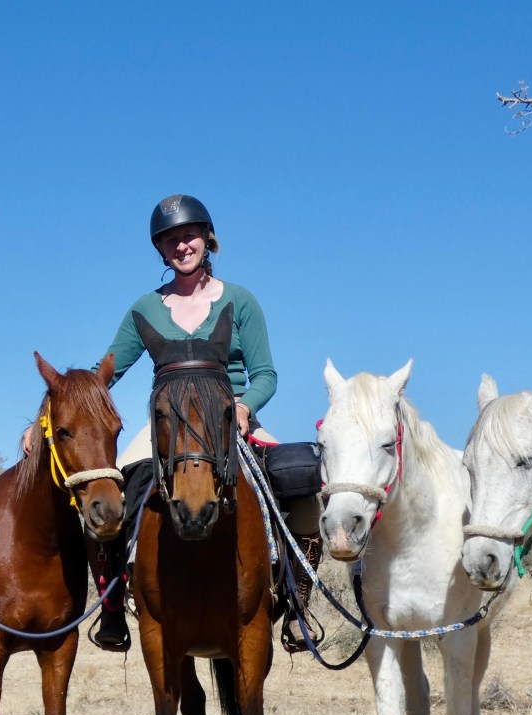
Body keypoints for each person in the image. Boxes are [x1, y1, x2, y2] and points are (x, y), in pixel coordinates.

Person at [28, 194, 322, 652]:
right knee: (115, 490)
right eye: (169, 240)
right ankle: (112, 611)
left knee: (302, 484)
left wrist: (243, 408)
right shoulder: (144, 309)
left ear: (206, 238)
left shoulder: (241, 301)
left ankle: (297, 606)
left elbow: (265, 374)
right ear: (160, 251)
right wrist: (46, 417)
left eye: (188, 235)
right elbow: (103, 375)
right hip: (167, 426)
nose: (181, 246)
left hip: (231, 417)